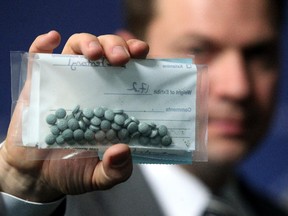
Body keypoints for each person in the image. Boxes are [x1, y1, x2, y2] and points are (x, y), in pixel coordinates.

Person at [0, 0, 287, 215]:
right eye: (199, 49)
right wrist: (23, 188)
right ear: (129, 57)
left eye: (258, 54)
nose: (238, 88)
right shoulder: (58, 205)